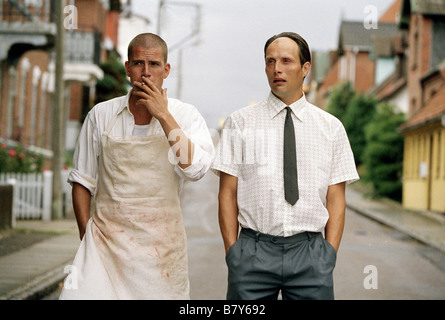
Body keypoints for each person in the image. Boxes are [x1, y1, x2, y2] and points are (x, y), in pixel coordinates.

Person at [59, 33, 215, 300]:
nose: (146, 72)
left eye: (154, 65)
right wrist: (88, 241)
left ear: (166, 70)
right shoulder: (101, 115)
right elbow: (82, 181)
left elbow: (195, 169)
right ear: (127, 67)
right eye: (138, 63)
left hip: (161, 252)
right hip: (104, 246)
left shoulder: (185, 115)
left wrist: (163, 115)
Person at [212, 32, 359, 300]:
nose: (277, 68)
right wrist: (233, 252)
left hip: (310, 255)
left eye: (286, 61)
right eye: (270, 61)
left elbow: (336, 197)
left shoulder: (331, 128)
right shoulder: (240, 123)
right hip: (253, 252)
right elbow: (227, 193)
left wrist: (328, 254)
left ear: (306, 68)